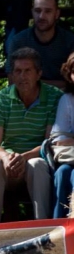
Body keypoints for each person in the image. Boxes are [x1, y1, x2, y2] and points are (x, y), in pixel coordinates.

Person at [0, 47, 62, 224]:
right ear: (11, 75)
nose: (22, 76)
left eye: (27, 71)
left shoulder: (55, 97)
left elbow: (50, 143)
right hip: (8, 163)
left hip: (37, 160)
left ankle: (44, 230)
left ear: (38, 73)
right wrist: (5, 157)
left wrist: (23, 158)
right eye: (17, 71)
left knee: (37, 165)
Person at [6, 0, 74, 89]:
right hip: (29, 98)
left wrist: (33, 82)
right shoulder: (19, 41)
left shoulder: (69, 41)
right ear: (32, 12)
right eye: (37, 11)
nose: (41, 16)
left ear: (57, 13)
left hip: (63, 97)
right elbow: (13, 81)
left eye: (48, 11)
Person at [49, 53, 74, 218]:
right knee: (62, 173)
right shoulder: (67, 100)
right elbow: (59, 140)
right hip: (71, 159)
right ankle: (59, 231)